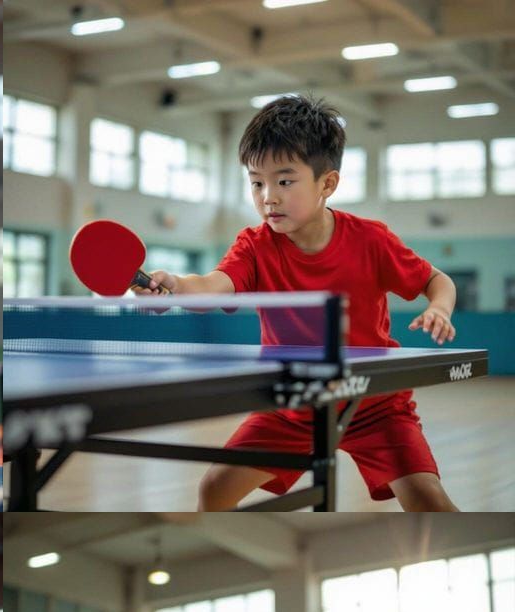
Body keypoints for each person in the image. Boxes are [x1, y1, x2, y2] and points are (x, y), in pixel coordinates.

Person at [137, 94, 461, 511]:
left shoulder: (371, 240)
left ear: (327, 183)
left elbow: (438, 280)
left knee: (427, 500)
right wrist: (176, 285)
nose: (268, 196)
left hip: (373, 403)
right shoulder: (253, 246)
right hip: (293, 405)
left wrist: (439, 307)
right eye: (257, 182)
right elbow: (213, 286)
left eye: (284, 181)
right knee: (214, 489)